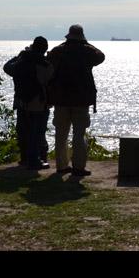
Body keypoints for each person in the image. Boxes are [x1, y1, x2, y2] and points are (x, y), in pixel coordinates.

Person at [47, 24, 105, 176]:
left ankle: (61, 166)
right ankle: (78, 167)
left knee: (61, 134)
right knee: (79, 135)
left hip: (61, 99)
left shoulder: (59, 50)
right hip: (81, 99)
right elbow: (101, 56)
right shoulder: (87, 51)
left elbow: (49, 59)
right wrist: (86, 43)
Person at [3, 37, 52, 168]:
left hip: (21, 101)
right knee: (38, 132)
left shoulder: (21, 62)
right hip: (38, 103)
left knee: (24, 131)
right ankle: (36, 159)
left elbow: (7, 67)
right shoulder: (44, 64)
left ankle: (25, 158)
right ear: (45, 49)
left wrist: (18, 56)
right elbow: (49, 79)